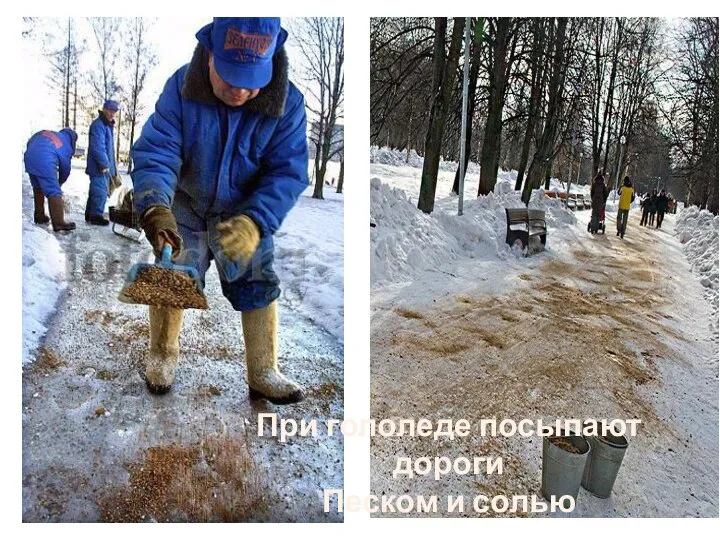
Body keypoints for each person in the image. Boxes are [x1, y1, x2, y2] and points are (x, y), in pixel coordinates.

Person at [131, 18, 309, 403]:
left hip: (244, 216)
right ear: (210, 53)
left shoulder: (288, 103)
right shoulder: (181, 88)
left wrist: (256, 221)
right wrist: (155, 206)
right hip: (187, 207)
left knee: (258, 281)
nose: (241, 90)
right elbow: (158, 151)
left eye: (252, 79)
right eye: (231, 76)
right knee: (171, 272)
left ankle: (262, 369)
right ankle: (162, 354)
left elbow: (288, 172)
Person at [24, 128, 78, 232]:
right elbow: (65, 168)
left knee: (38, 187)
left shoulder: (50, 134)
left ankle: (39, 215)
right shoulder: (66, 143)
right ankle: (59, 223)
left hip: (29, 156)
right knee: (53, 190)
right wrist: (59, 183)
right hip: (45, 158)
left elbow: (31, 141)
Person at [85, 99, 121, 226]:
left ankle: (90, 214)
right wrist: (104, 164)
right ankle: (95, 216)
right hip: (99, 166)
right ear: (104, 109)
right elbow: (98, 147)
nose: (112, 114)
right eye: (110, 110)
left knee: (96, 190)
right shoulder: (99, 125)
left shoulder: (107, 126)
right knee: (100, 191)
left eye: (114, 111)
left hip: (104, 165)